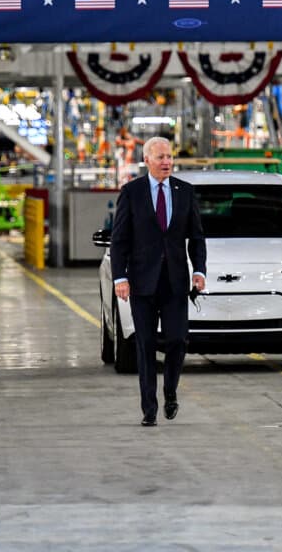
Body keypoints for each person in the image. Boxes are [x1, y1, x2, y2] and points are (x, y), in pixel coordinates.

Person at [110, 137, 206, 427]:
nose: (167, 162)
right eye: (161, 157)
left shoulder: (185, 192)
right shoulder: (132, 193)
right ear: (147, 160)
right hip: (142, 283)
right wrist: (120, 277)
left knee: (177, 340)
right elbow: (120, 241)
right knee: (146, 344)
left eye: (169, 157)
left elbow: (197, 237)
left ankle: (170, 391)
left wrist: (199, 271)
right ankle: (149, 409)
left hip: (176, 282)